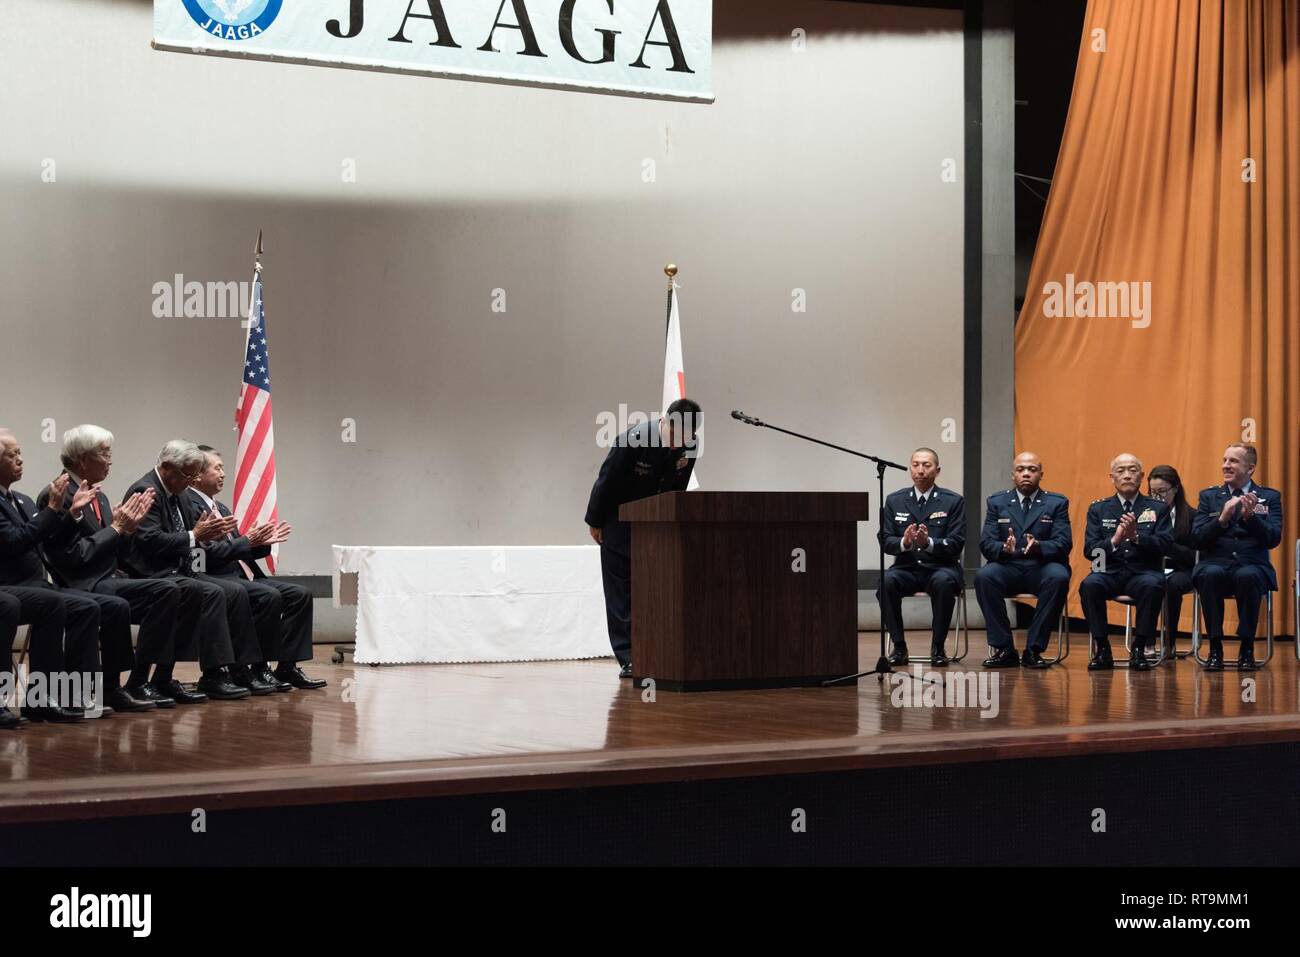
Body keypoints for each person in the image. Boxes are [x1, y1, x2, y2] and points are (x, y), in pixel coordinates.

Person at [39, 424, 203, 707]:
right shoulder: (59, 493)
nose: (111, 460)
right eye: (104, 453)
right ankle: (124, 684)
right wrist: (115, 528)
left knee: (178, 590)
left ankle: (147, 680)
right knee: (161, 592)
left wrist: (127, 531)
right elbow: (72, 556)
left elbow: (117, 551)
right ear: (83, 460)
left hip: (108, 576)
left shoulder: (98, 494)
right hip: (82, 582)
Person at [119, 440, 262, 699]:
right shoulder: (145, 491)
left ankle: (168, 677)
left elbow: (193, 538)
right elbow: (149, 541)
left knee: (227, 590)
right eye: (187, 475)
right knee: (205, 591)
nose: (190, 481)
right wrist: (194, 536)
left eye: (194, 475)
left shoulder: (181, 494)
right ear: (167, 468)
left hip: (178, 572)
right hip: (148, 574)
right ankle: (143, 679)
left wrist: (201, 536)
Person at [187, 445, 325, 690]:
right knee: (268, 596)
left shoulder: (221, 508)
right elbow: (204, 556)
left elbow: (241, 549)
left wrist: (260, 543)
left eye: (223, 468)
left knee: (299, 594)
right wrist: (246, 542)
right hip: (218, 577)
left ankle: (287, 666)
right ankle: (258, 668)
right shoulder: (190, 506)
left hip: (244, 575)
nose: (223, 474)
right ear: (197, 474)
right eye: (216, 468)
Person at [584, 398, 700, 678]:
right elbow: (606, 480)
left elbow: (678, 490)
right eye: (674, 434)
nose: (678, 442)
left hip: (654, 530)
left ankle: (654, 651)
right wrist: (595, 521)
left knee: (653, 592)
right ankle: (629, 658)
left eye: (685, 436)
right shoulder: (634, 440)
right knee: (621, 596)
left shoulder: (690, 446)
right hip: (618, 525)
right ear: (665, 421)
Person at [0, 428, 97, 723]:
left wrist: (71, 516)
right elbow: (15, 543)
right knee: (47, 602)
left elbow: (43, 542)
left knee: (88, 606)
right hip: (9, 586)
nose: (20, 459)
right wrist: (53, 509)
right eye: (11, 454)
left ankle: (74, 694)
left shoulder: (23, 501)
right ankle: (36, 699)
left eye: (19, 452)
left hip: (34, 585)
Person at [974, 452, 1073, 668]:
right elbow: (986, 543)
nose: (1026, 474)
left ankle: (1033, 650)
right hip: (1008, 566)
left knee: (1059, 577)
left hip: (1042, 567)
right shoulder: (997, 502)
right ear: (1013, 475)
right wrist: (1003, 548)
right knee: (984, 577)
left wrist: (1039, 547)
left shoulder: (1056, 502)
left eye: (1032, 469)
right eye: (1021, 470)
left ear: (1041, 474)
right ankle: (1004, 648)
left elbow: (1064, 543)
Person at [1191, 444, 1283, 671]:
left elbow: (1273, 539)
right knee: (1209, 574)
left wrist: (1251, 518)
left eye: (1233, 461)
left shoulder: (1269, 497)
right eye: (1224, 460)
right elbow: (1198, 539)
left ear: (1250, 468)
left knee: (1247, 576)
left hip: (1253, 564)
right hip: (1216, 563)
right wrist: (1221, 519)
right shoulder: (1209, 496)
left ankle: (1247, 647)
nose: (1225, 466)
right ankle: (1215, 647)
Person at [1079, 453, 1172, 671]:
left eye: (1132, 470)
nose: (1127, 475)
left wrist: (1136, 538)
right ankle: (1102, 648)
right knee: (1090, 585)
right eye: (1121, 471)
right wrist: (1115, 539)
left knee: (1154, 584)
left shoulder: (1157, 508)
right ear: (1112, 477)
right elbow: (1090, 551)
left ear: (1141, 477)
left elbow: (1166, 545)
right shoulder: (1098, 509)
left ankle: (1139, 648)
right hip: (1108, 571)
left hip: (1143, 573)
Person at [877, 448, 965, 667]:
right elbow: (886, 540)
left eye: (926, 465)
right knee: (886, 582)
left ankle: (938, 647)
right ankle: (899, 647)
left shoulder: (952, 501)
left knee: (944, 583)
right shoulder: (895, 500)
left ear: (937, 470)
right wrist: (905, 543)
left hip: (941, 567)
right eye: (916, 464)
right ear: (910, 469)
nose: (920, 470)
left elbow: (956, 543)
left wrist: (928, 543)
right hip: (907, 567)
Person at [1147, 465, 1195, 641]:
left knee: (1171, 585)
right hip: (1153, 567)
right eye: (1152, 492)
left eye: (1162, 491)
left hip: (1182, 570)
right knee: (1148, 583)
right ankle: (1146, 641)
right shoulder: (1144, 514)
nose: (1157, 497)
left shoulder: (1192, 516)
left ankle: (1169, 640)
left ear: (1175, 489)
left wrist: (1166, 544)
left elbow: (1194, 556)